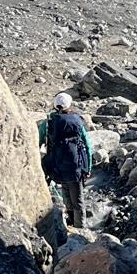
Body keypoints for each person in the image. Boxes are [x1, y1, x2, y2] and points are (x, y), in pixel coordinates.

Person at [40, 92, 93, 229]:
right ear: (69, 105)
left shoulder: (48, 124)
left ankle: (69, 222)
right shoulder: (77, 121)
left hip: (57, 166)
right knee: (78, 200)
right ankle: (80, 228)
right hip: (76, 166)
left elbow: (38, 143)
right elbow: (87, 146)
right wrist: (88, 167)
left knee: (65, 193)